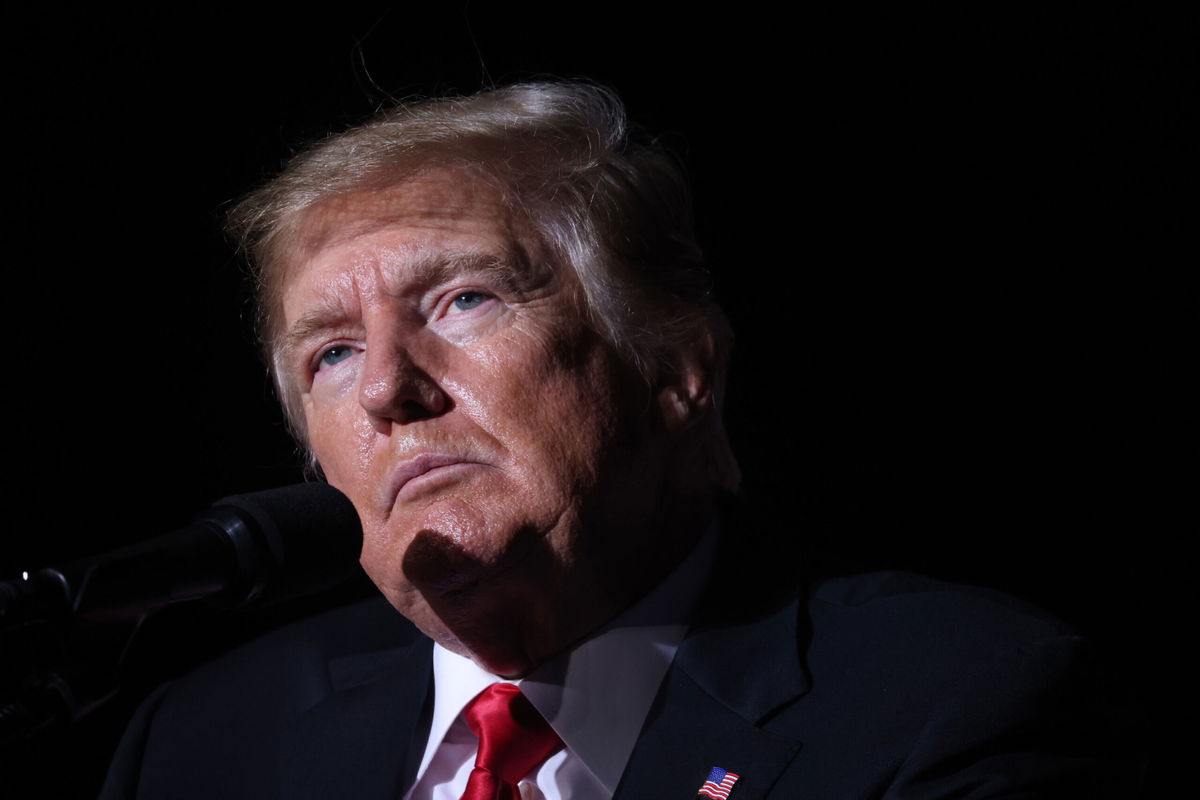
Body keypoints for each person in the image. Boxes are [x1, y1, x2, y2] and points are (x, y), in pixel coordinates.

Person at [100, 82, 1140, 799]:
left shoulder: (949, 698)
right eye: (328, 353)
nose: (384, 386)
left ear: (676, 367)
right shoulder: (204, 741)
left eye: (463, 299)